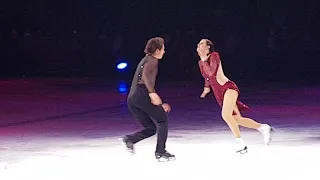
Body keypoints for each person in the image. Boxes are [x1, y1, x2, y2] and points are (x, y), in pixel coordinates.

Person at [197, 38, 273, 154]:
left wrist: (203, 59)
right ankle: (263, 127)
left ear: (208, 47)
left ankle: (240, 143)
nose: (199, 45)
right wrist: (206, 88)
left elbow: (212, 72)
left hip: (228, 88)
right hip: (219, 95)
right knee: (237, 119)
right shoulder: (200, 63)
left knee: (225, 115)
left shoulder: (214, 56)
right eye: (199, 43)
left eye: (202, 43)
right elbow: (207, 77)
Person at [120, 37, 175, 161]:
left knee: (151, 128)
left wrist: (155, 98)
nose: (164, 51)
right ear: (157, 50)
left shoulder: (146, 59)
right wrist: (152, 93)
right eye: (163, 49)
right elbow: (145, 75)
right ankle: (160, 152)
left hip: (132, 98)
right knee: (162, 120)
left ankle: (130, 139)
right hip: (141, 93)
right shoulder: (153, 60)